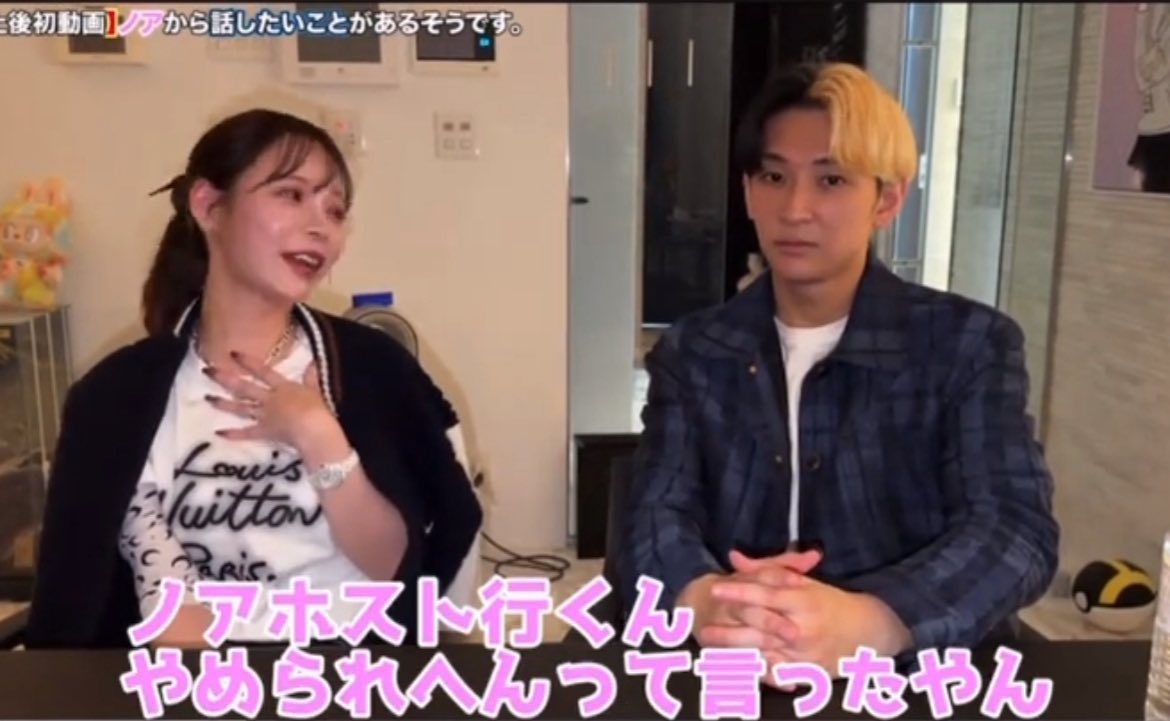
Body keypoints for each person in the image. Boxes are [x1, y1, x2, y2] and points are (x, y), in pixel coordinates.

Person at [619, 62, 1060, 675]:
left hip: (909, 673)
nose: (795, 208)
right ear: (748, 191)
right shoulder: (695, 350)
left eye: (830, 180)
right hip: (732, 664)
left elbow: (1014, 528)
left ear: (888, 198)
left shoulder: (967, 344)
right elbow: (654, 512)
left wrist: (873, 620)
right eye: (774, 176)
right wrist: (707, 600)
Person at [25, 109, 483, 649]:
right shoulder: (119, 397)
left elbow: (397, 571)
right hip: (198, 677)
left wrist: (317, 434)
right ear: (208, 206)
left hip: (355, 670)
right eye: (291, 195)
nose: (321, 227)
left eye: (335, 211)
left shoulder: (373, 369)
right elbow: (159, 614)